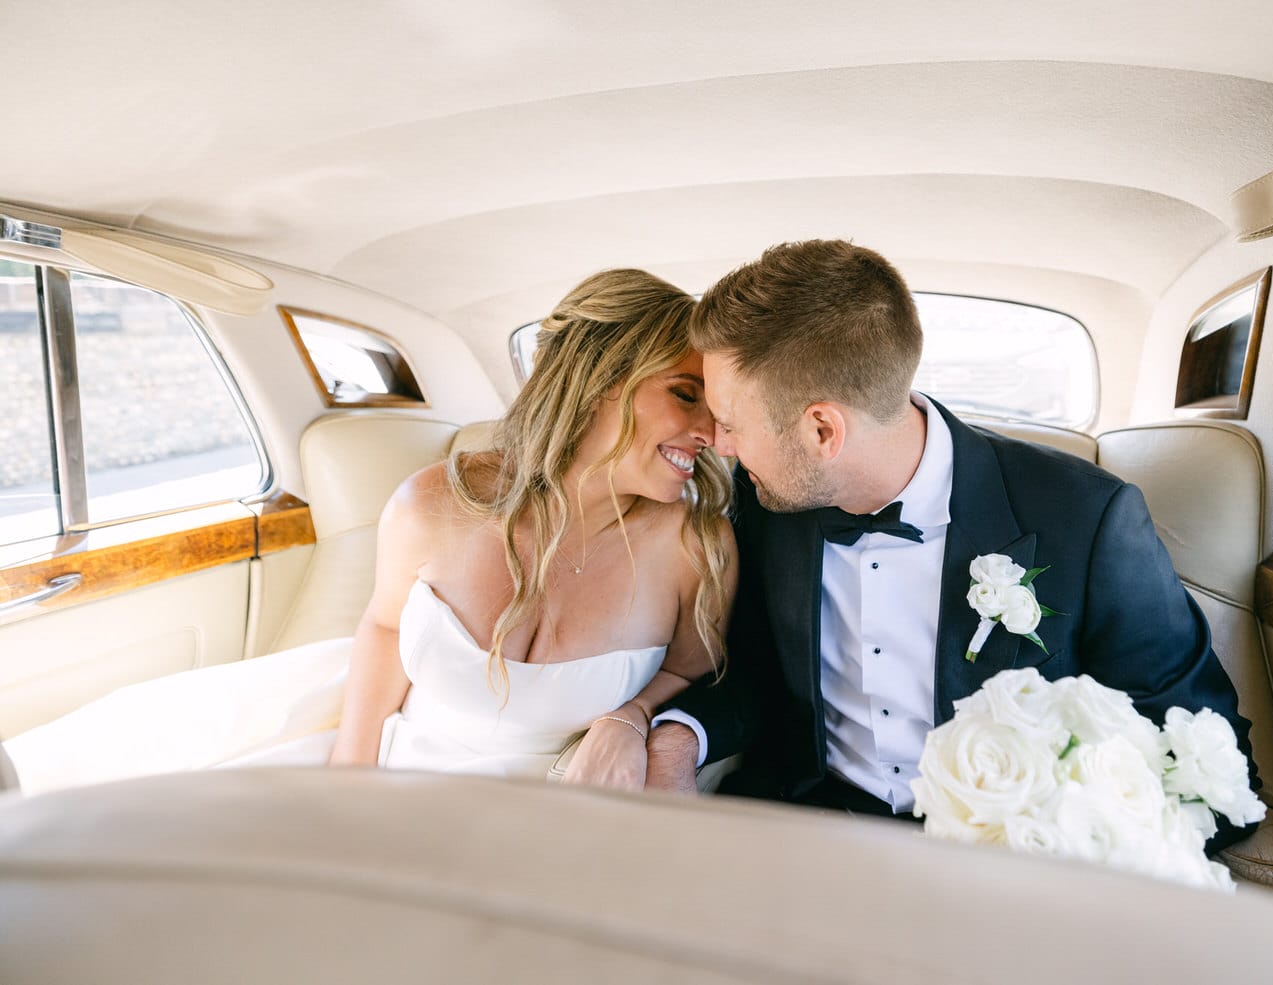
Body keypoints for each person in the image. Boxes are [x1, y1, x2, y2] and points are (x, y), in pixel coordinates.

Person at [6, 269, 737, 793]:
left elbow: (693, 674)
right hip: (387, 777)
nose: (711, 430)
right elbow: (385, 632)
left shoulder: (697, 548)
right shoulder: (432, 505)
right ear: (600, 381)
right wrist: (350, 789)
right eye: (685, 394)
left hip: (545, 818)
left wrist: (630, 718)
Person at [644, 240, 1259, 851]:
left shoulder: (1088, 518)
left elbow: (1204, 756)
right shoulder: (768, 502)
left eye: (732, 423)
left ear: (822, 429)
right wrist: (675, 738)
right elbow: (754, 672)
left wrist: (1077, 844)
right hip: (808, 828)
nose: (719, 445)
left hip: (1000, 861)